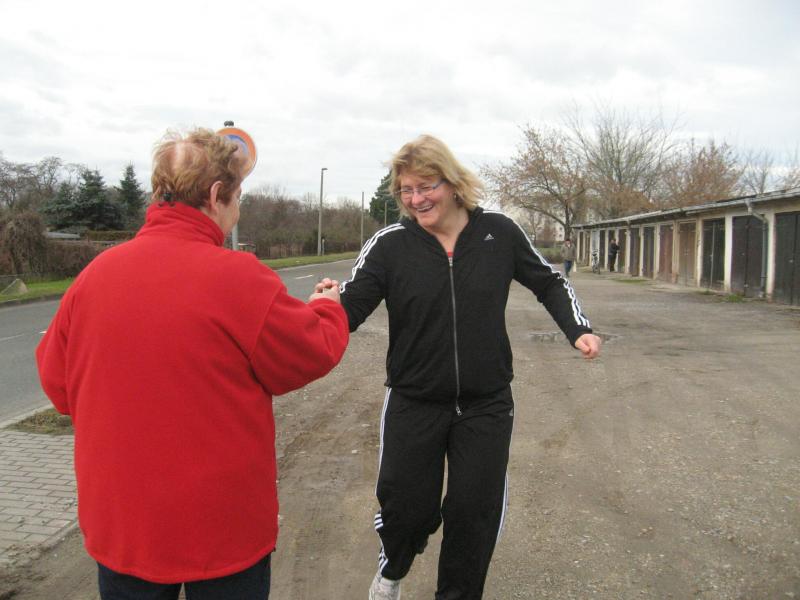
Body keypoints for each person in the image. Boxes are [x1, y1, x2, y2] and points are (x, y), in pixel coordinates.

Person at [36, 128, 349, 600]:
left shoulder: (93, 277)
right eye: (238, 197)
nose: (237, 209)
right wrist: (327, 308)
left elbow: (59, 388)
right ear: (217, 194)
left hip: (124, 525)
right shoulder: (239, 278)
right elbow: (309, 352)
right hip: (221, 528)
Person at [316, 134, 601, 600]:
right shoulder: (391, 245)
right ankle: (393, 570)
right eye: (407, 190)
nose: (416, 199)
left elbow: (549, 282)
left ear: (451, 183)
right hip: (414, 400)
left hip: (486, 404)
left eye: (426, 186)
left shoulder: (499, 233)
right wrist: (324, 308)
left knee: (473, 515)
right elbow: (350, 308)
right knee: (407, 511)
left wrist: (577, 328)